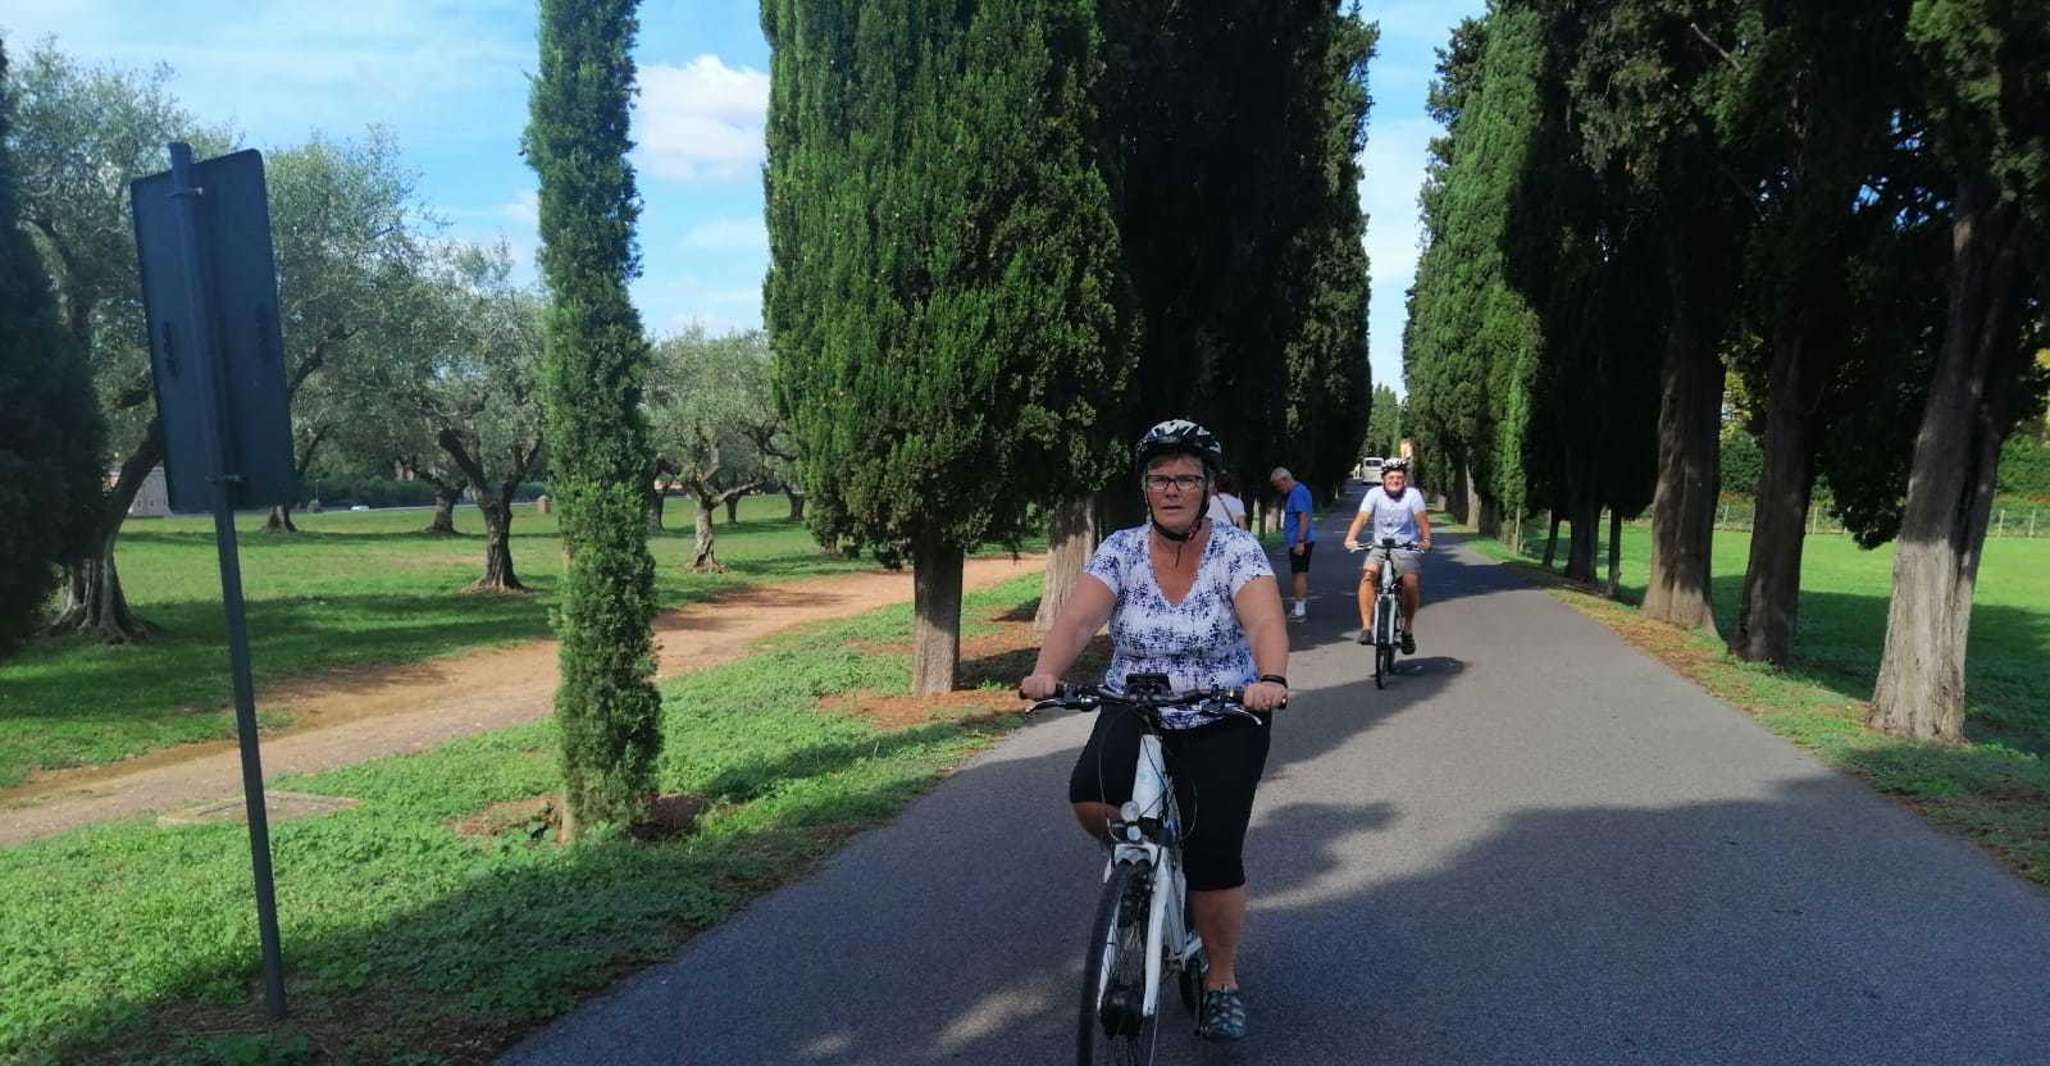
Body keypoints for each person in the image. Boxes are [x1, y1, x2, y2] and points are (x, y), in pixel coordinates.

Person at [1022, 418, 1289, 1043]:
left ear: (1207, 488)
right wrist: (1045, 672)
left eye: (1186, 479)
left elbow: (1264, 622)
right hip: (1136, 702)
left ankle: (1219, 980)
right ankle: (1142, 868)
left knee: (1213, 852)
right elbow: (1078, 620)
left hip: (1222, 708)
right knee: (1090, 797)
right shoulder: (1120, 549)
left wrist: (1270, 677)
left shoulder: (1236, 551)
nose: (1172, 489)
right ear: (1145, 487)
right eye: (1160, 478)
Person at [1343, 459, 1432, 653]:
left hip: (1405, 546)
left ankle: (1407, 630)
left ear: (1404, 480)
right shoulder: (1374, 494)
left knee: (1410, 581)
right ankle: (1367, 628)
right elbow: (1362, 518)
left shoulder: (1413, 495)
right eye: (1391, 477)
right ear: (1383, 479)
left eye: (1399, 477)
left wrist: (1425, 539)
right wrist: (1351, 538)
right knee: (1368, 576)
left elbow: (1422, 520)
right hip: (1379, 546)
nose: (1395, 481)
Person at [1268, 467, 1315, 620]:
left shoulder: (1297, 493)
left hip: (1300, 541)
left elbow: (1303, 517)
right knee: (1297, 574)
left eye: (1279, 485)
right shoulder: (1298, 491)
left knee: (1299, 574)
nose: (1279, 489)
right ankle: (1299, 607)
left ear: (1285, 479)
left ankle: (1300, 610)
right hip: (1298, 540)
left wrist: (1300, 541)